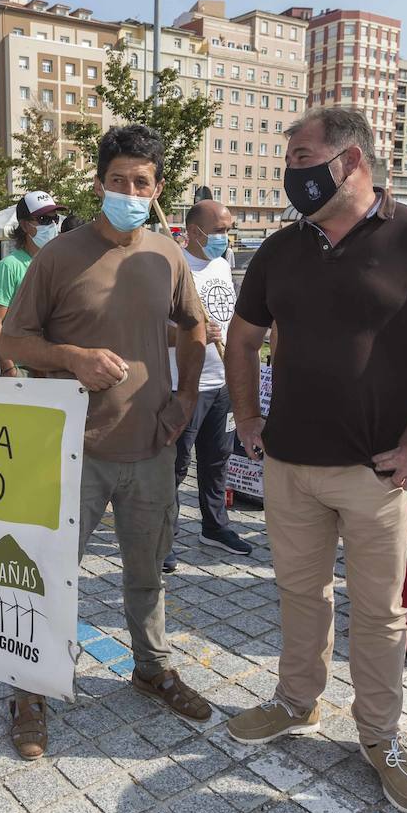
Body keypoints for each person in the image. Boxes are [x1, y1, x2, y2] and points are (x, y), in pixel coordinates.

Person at [223, 108, 407, 813]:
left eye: (301, 157)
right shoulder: (281, 249)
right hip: (289, 468)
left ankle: (380, 738)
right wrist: (249, 419)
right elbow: (240, 340)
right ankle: (297, 702)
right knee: (300, 594)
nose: (291, 173)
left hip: (379, 475)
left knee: (381, 615)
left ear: (351, 162)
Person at [1, 124, 211, 760]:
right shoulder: (59, 255)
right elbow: (11, 340)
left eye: (140, 183)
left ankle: (151, 670)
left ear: (156, 189)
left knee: (148, 574)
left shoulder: (166, 256)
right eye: (117, 180)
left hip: (150, 447)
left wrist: (183, 400)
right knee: (47, 572)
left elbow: (196, 326)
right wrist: (70, 357)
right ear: (99, 183)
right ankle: (30, 686)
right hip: (73, 450)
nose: (128, 191)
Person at [163, 199, 250, 574]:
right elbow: (154, 328)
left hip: (222, 382)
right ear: (195, 232)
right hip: (184, 386)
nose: (225, 238)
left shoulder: (220, 263)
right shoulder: (173, 268)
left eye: (229, 230)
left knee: (217, 460)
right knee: (175, 465)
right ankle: (161, 538)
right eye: (220, 231)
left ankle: (215, 527)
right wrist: (190, 331)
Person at [0, 192, 65, 378]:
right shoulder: (8, 266)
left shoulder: (59, 263)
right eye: (44, 219)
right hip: (23, 369)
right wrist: (8, 368)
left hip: (55, 367)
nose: (52, 225)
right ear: (24, 225)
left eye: (55, 218)